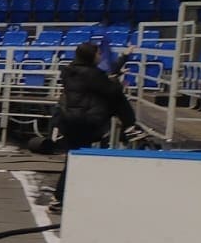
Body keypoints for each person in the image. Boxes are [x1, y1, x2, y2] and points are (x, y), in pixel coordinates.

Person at [51, 40, 140, 209]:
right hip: (86, 121)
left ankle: (60, 198)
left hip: (69, 120)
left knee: (73, 159)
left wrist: (123, 58)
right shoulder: (91, 74)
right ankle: (130, 126)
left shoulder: (70, 71)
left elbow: (102, 80)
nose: (100, 56)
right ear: (91, 56)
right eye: (98, 53)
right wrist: (118, 81)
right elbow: (110, 89)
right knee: (118, 98)